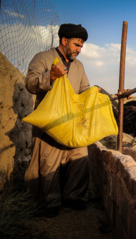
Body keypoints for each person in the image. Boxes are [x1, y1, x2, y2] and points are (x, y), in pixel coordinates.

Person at [24, 23, 90, 217]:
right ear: (64, 41)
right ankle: (50, 202)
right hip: (49, 123)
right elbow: (30, 83)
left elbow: (84, 88)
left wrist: (94, 93)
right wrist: (50, 76)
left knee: (80, 156)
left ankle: (74, 196)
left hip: (72, 124)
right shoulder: (43, 58)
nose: (79, 50)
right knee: (48, 161)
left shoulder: (79, 66)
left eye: (81, 47)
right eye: (77, 45)